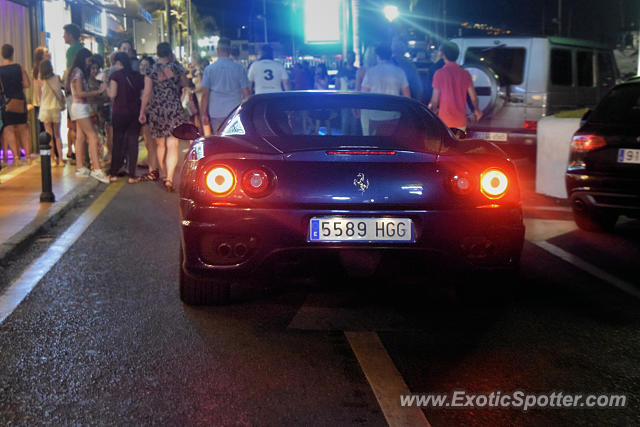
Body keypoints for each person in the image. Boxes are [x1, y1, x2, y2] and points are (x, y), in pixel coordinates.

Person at [138, 42, 190, 192]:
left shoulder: (151, 70)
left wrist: (142, 111)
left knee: (160, 145)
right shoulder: (177, 67)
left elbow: (147, 93)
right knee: (173, 145)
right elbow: (185, 84)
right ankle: (170, 179)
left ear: (157, 53)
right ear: (170, 53)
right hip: (174, 107)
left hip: (158, 109)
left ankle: (164, 173)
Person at [67, 47, 109, 183]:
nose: (89, 63)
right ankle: (96, 169)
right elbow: (80, 93)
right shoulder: (78, 72)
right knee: (93, 136)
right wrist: (98, 91)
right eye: (88, 60)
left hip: (78, 107)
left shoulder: (75, 71)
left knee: (80, 137)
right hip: (80, 107)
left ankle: (80, 167)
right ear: (83, 58)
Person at [107, 52, 144, 183]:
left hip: (119, 113)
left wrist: (105, 90)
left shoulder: (115, 75)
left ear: (118, 62)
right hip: (134, 113)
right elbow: (142, 95)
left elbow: (112, 94)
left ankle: (114, 173)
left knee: (118, 142)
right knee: (133, 142)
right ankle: (132, 174)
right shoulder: (137, 76)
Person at [428, 41, 482, 130]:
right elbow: (474, 98)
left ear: (443, 55)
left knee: (445, 144)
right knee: (458, 143)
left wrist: (433, 111)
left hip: (444, 122)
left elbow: (434, 100)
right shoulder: (465, 74)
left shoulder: (439, 74)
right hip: (460, 122)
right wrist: (476, 109)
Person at [201, 38, 250, 133]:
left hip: (216, 110)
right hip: (234, 109)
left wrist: (204, 113)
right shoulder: (239, 68)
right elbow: (246, 93)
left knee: (219, 137)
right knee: (234, 138)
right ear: (230, 51)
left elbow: (205, 94)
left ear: (218, 50)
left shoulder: (209, 69)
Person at [360, 44, 410, 136]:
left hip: (374, 115)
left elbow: (363, 95)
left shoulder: (371, 72)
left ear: (377, 56)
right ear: (390, 55)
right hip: (394, 115)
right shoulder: (399, 72)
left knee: (376, 145)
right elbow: (407, 97)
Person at [0, 44, 31, 165]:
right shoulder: (19, 67)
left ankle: (16, 157)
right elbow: (27, 84)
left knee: (9, 129)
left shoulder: (0, 69)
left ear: (2, 54)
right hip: (20, 100)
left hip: (7, 102)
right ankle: (28, 156)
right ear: (12, 53)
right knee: (23, 129)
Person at [38, 59, 65, 166]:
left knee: (48, 135)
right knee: (57, 135)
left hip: (45, 109)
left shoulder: (40, 80)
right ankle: (61, 159)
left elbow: (40, 96)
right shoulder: (56, 78)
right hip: (55, 108)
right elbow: (60, 91)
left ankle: (52, 159)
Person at [137, 56, 159, 182]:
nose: (143, 68)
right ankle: (151, 164)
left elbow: (149, 95)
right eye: (141, 65)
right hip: (144, 112)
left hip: (149, 112)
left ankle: (153, 168)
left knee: (150, 142)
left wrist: (144, 109)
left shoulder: (150, 79)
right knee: (148, 141)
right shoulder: (141, 79)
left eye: (146, 66)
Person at [63, 23, 83, 164]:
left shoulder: (71, 50)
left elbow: (70, 70)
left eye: (65, 33)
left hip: (74, 91)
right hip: (83, 89)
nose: (63, 36)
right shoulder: (82, 48)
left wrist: (66, 87)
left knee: (75, 124)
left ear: (70, 35)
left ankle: (79, 156)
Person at [32, 46, 50, 136]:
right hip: (44, 102)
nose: (49, 53)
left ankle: (45, 150)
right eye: (46, 52)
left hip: (38, 103)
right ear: (42, 56)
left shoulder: (35, 69)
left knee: (43, 129)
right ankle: (51, 150)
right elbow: (42, 87)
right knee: (48, 129)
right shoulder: (43, 69)